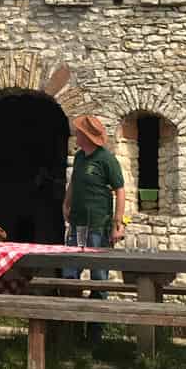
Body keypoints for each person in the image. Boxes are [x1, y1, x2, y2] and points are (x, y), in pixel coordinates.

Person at [61, 114, 126, 341]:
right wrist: (66, 203)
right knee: (71, 274)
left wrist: (118, 223)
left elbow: (120, 190)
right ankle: (72, 329)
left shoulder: (106, 159)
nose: (75, 134)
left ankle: (95, 332)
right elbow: (74, 182)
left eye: (78, 132)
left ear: (86, 136)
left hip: (99, 226)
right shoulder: (80, 157)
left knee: (98, 277)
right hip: (78, 225)